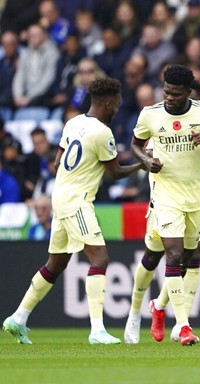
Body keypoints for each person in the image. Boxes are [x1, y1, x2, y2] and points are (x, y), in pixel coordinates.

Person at [2, 77, 142, 344]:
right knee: (100, 259)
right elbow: (115, 173)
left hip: (60, 196)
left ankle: (18, 318)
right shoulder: (102, 132)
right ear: (109, 102)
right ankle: (97, 330)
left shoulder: (73, 122)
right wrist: (142, 165)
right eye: (117, 104)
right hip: (77, 201)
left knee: (56, 264)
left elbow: (57, 163)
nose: (117, 109)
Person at [129, 64, 200, 346]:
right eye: (166, 91)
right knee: (172, 255)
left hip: (196, 197)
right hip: (165, 196)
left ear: (188, 92)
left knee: (187, 258)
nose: (169, 97)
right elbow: (135, 144)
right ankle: (184, 326)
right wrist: (147, 161)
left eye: (175, 93)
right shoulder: (150, 115)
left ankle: (158, 306)